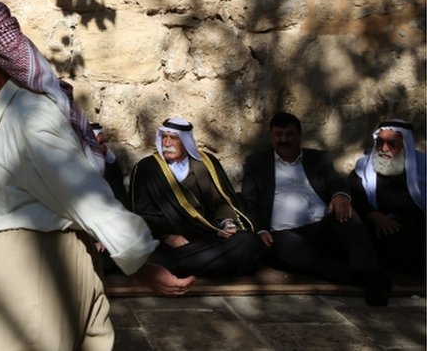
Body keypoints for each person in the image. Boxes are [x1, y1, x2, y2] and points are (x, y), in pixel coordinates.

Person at [0, 0, 193, 351]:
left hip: (38, 273)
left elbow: (86, 195)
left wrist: (141, 264)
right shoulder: (5, 113)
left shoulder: (29, 117)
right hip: (24, 272)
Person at [243, 112, 391, 306]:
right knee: (288, 247)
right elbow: (249, 202)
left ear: (299, 135)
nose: (284, 140)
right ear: (272, 136)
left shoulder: (317, 159)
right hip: (283, 234)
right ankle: (357, 278)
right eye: (278, 135)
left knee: (347, 213)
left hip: (322, 225)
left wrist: (340, 195)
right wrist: (260, 230)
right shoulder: (257, 164)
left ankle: (370, 271)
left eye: (289, 134)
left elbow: (336, 181)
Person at [129, 118, 264, 278]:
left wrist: (227, 223)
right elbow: (143, 213)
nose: (166, 143)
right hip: (172, 243)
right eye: (164, 137)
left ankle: (173, 268)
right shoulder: (147, 168)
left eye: (173, 138)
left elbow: (223, 200)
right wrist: (167, 237)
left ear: (185, 140)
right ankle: (211, 267)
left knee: (249, 242)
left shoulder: (207, 162)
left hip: (208, 236)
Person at [350, 119, 425, 276]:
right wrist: (374, 215)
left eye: (392, 144)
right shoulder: (364, 168)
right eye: (380, 142)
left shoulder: (422, 166)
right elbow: (355, 196)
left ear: (405, 145)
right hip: (378, 224)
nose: (384, 149)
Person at [91, 123, 129, 208]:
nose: (102, 148)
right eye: (98, 144)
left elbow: (120, 193)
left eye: (102, 143)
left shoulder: (110, 162)